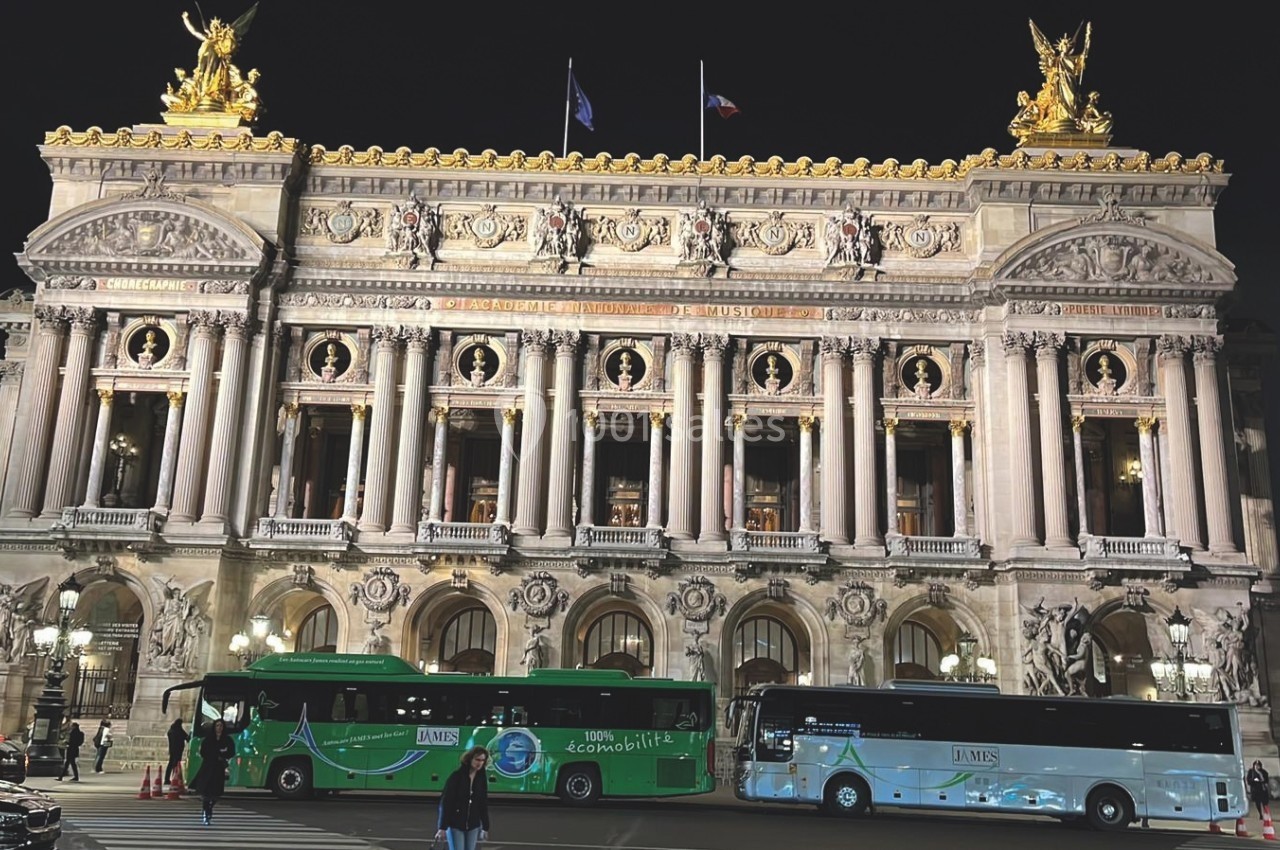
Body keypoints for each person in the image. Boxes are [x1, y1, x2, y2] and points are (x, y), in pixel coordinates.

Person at [436, 746, 491, 850]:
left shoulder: (481, 779)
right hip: (455, 824)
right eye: (477, 759)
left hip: (473, 825)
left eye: (482, 760)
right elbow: (446, 802)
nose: (480, 763)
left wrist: (485, 826)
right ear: (470, 759)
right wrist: (442, 827)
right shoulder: (456, 776)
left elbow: (483, 803)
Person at [192, 719, 236, 826]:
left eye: (221, 726)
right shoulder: (208, 739)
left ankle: (210, 807)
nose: (219, 728)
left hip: (219, 768)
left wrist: (223, 755)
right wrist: (214, 754)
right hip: (208, 767)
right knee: (206, 792)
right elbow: (203, 752)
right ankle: (206, 811)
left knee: (216, 793)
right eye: (217, 726)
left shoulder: (227, 740)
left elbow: (231, 752)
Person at [165, 717, 190, 785]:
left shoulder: (171, 730)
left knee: (170, 764)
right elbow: (187, 737)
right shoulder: (179, 730)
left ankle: (167, 779)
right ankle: (175, 778)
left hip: (172, 750)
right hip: (178, 750)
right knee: (176, 765)